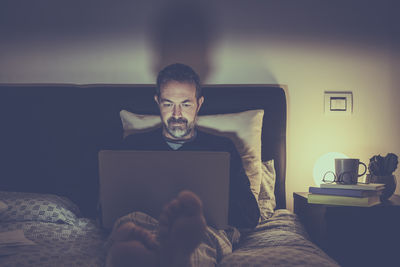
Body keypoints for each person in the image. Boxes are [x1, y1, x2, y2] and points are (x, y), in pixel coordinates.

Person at [106, 63, 260, 267]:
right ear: (157, 101)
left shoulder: (221, 149)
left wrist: (208, 207)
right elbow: (107, 210)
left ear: (199, 103)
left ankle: (175, 251)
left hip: (202, 229)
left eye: (186, 104)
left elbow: (250, 215)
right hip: (141, 223)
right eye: (168, 104)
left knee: (193, 244)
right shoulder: (133, 147)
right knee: (129, 238)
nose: (177, 114)